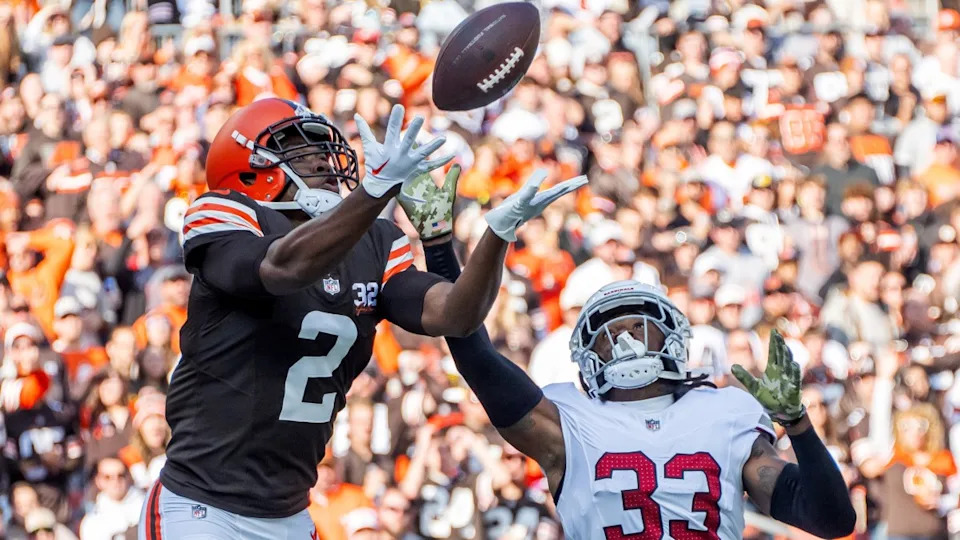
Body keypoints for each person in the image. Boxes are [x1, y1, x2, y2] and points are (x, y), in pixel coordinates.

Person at [140, 99, 585, 539]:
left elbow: (457, 314)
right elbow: (283, 268)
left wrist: (486, 238)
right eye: (298, 145)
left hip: (290, 514)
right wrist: (373, 191)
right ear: (252, 168)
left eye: (321, 147)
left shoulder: (376, 241)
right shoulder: (225, 213)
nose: (320, 158)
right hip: (201, 506)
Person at [398, 179, 856, 539]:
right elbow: (475, 353)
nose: (625, 340)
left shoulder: (726, 412)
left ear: (672, 336)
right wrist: (441, 246)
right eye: (609, 332)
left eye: (638, 326)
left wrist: (799, 427)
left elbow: (832, 520)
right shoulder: (568, 420)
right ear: (584, 354)